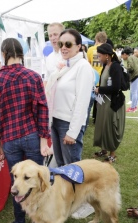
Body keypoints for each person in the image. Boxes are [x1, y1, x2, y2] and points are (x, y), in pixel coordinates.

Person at [0, 38, 51, 223]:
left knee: (17, 184)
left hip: (10, 139)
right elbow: (42, 110)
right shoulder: (33, 77)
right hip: (31, 135)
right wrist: (43, 140)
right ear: (21, 53)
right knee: (36, 182)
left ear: (4, 53)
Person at [45, 28, 93, 167]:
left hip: (68, 123)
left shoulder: (82, 66)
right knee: (60, 165)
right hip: (56, 120)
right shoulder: (63, 65)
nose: (63, 48)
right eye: (61, 44)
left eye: (68, 44)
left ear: (78, 46)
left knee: (71, 168)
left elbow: (82, 102)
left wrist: (73, 132)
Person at [92, 43, 126, 164]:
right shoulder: (106, 65)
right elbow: (105, 83)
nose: (98, 58)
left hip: (112, 102)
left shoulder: (115, 67)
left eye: (99, 56)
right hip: (104, 101)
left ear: (107, 55)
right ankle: (103, 149)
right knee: (102, 125)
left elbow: (116, 87)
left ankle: (113, 154)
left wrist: (100, 89)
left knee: (110, 127)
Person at [86, 31, 107, 125]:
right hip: (104, 80)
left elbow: (88, 64)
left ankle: (87, 119)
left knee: (89, 102)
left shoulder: (90, 49)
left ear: (96, 39)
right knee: (101, 102)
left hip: (92, 80)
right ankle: (98, 119)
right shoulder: (110, 50)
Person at [121, 47, 138, 113]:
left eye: (122, 56)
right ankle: (134, 106)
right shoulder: (134, 57)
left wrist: (125, 68)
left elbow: (131, 68)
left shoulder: (129, 58)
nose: (122, 57)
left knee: (134, 92)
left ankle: (132, 107)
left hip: (135, 76)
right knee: (135, 92)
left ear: (124, 54)